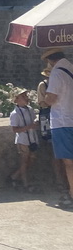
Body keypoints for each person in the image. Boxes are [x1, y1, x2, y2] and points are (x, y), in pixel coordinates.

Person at [42, 47, 73, 209]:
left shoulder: (56, 73)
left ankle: (72, 194)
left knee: (68, 161)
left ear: (50, 60)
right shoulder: (70, 68)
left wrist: (44, 98)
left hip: (62, 121)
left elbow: (51, 98)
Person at [9, 88, 39, 190]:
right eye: (23, 96)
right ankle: (25, 183)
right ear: (17, 99)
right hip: (23, 140)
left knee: (32, 160)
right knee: (24, 161)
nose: (27, 98)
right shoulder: (15, 113)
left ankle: (15, 176)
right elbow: (15, 129)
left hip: (32, 138)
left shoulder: (30, 109)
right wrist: (29, 126)